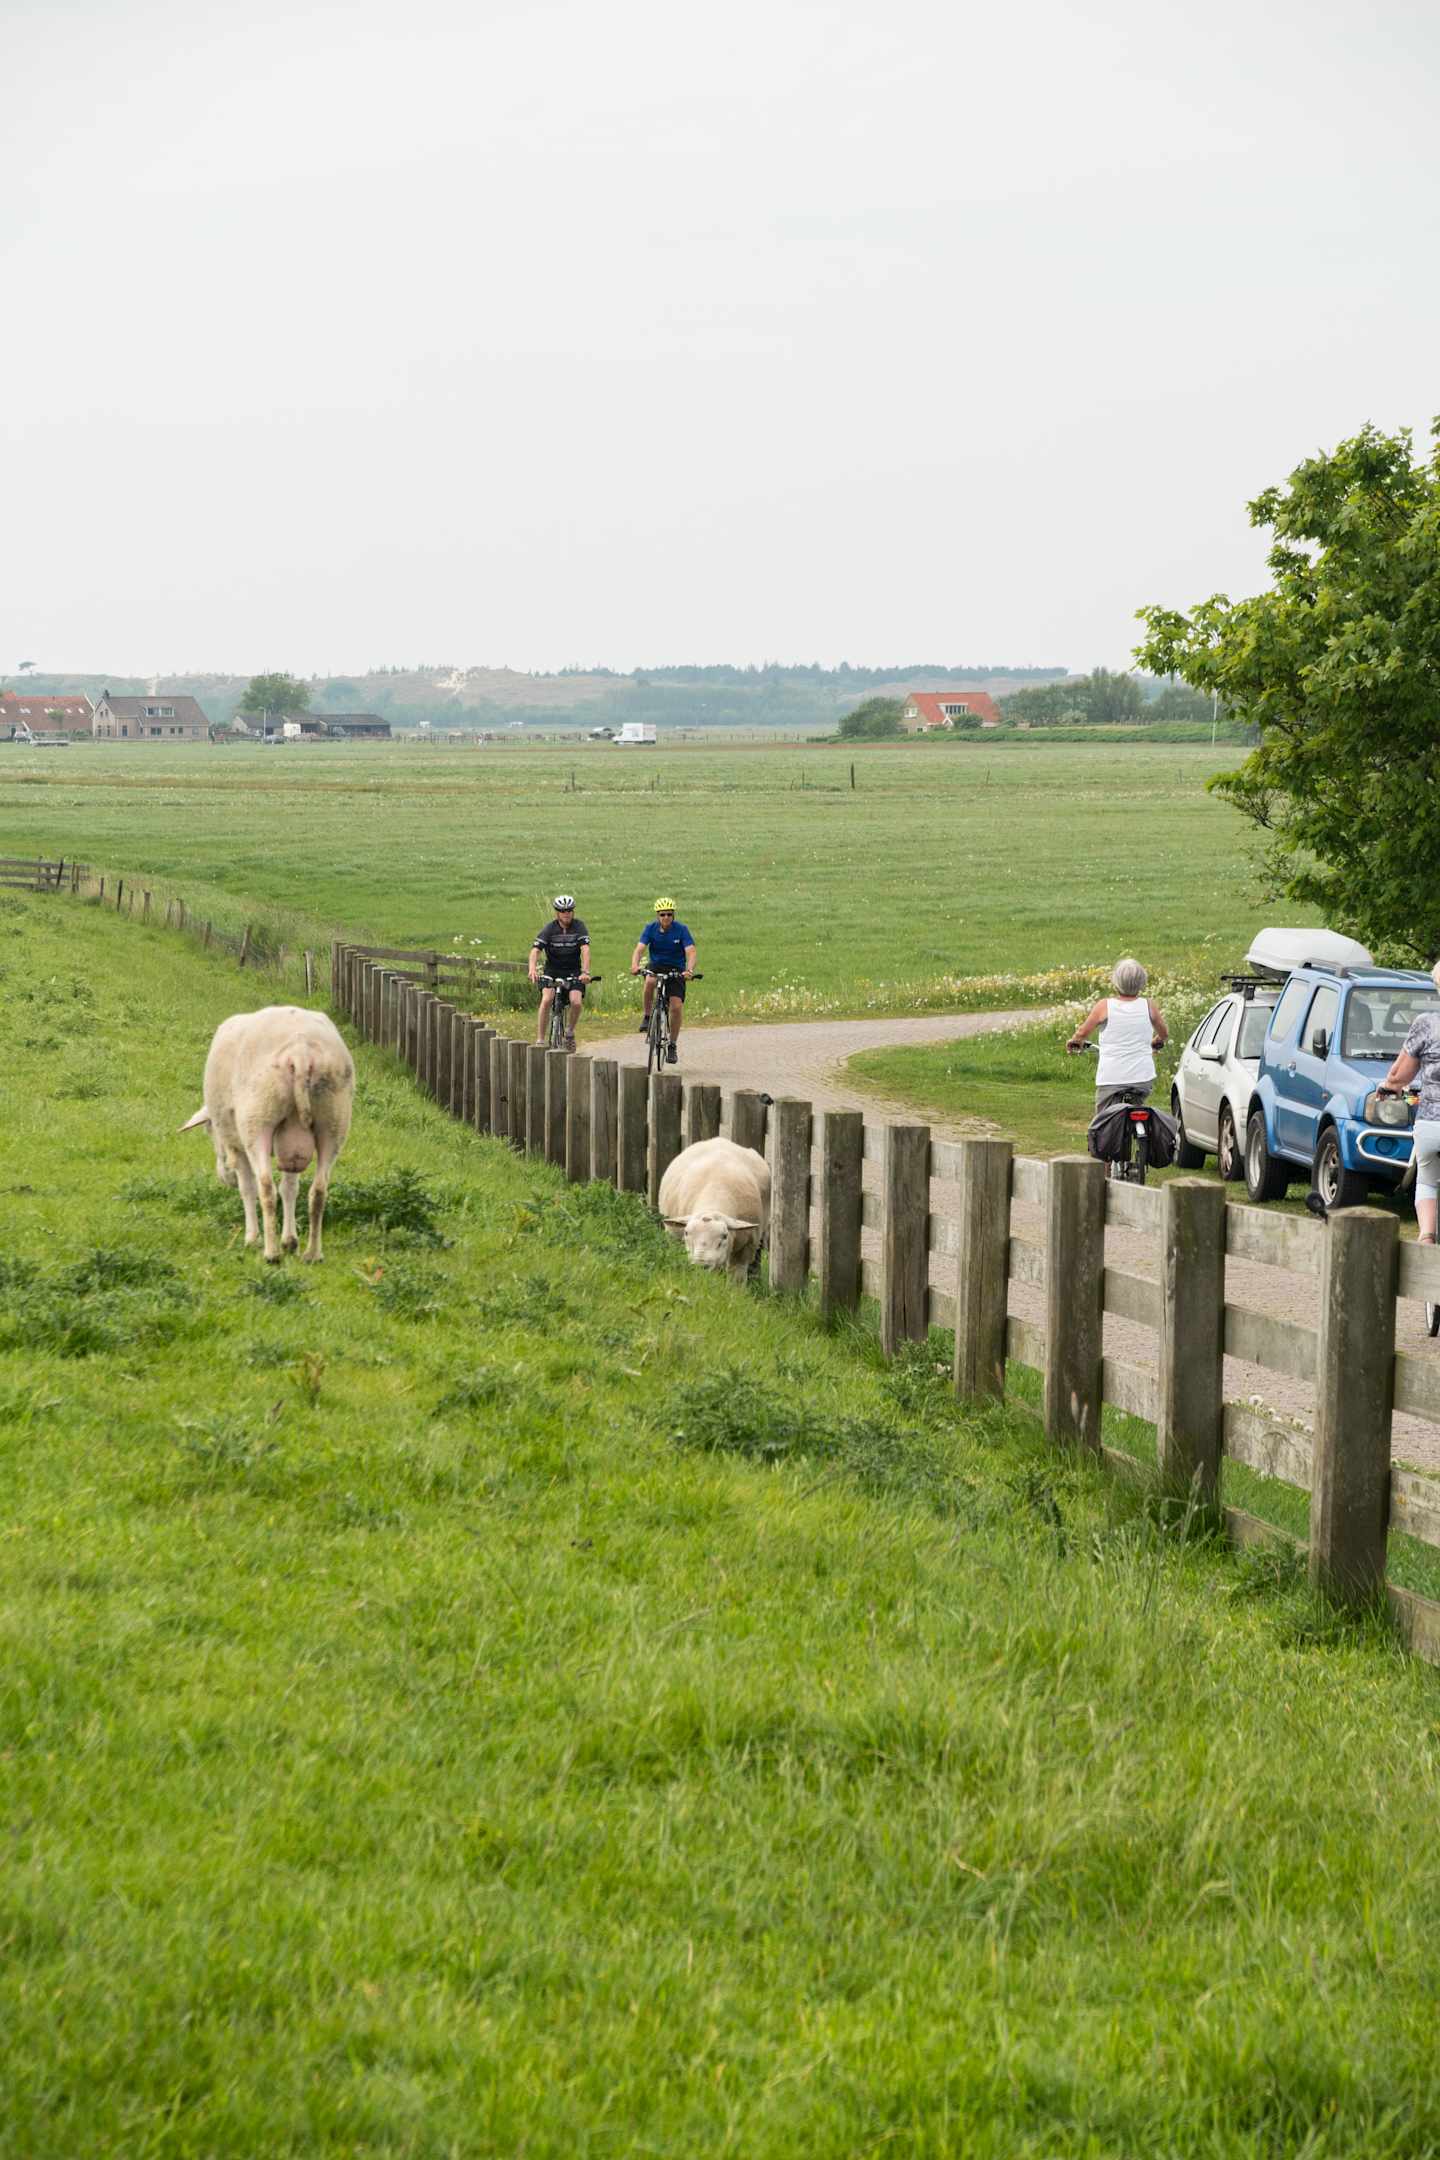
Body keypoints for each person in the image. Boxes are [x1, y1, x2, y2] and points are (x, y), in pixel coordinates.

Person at [1376, 961, 1440, 1253]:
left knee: (1427, 1179)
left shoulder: (1427, 1024)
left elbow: (1399, 1076)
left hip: (1432, 1123)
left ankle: (1426, 1236)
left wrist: (1389, 1088)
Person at [1066, 957, 1169, 1107]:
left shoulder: (1104, 1006)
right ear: (1142, 982)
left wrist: (1074, 1041)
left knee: (1103, 1121)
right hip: (1143, 1077)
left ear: (1116, 982)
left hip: (1111, 1078)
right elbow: (1164, 1033)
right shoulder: (1149, 1006)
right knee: (1138, 1107)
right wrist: (1157, 1040)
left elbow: (1082, 1033)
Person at [630, 898, 696, 1063]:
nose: (666, 917)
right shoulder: (650, 928)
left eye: (669, 914)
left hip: (676, 969)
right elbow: (639, 949)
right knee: (650, 982)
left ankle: (672, 1044)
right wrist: (635, 965)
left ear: (673, 915)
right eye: (662, 914)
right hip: (657, 965)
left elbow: (691, 951)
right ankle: (646, 1016)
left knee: (676, 1007)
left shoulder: (681, 930)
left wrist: (689, 970)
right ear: (657, 916)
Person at [529, 894, 591, 1051]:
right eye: (563, 911)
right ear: (557, 912)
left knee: (576, 1002)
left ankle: (569, 1033)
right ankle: (540, 1040)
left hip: (573, 971)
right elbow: (535, 951)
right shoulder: (549, 929)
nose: (567, 913)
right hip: (552, 970)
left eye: (569, 910)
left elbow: (585, 950)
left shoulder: (579, 927)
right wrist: (532, 969)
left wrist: (585, 971)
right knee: (547, 999)